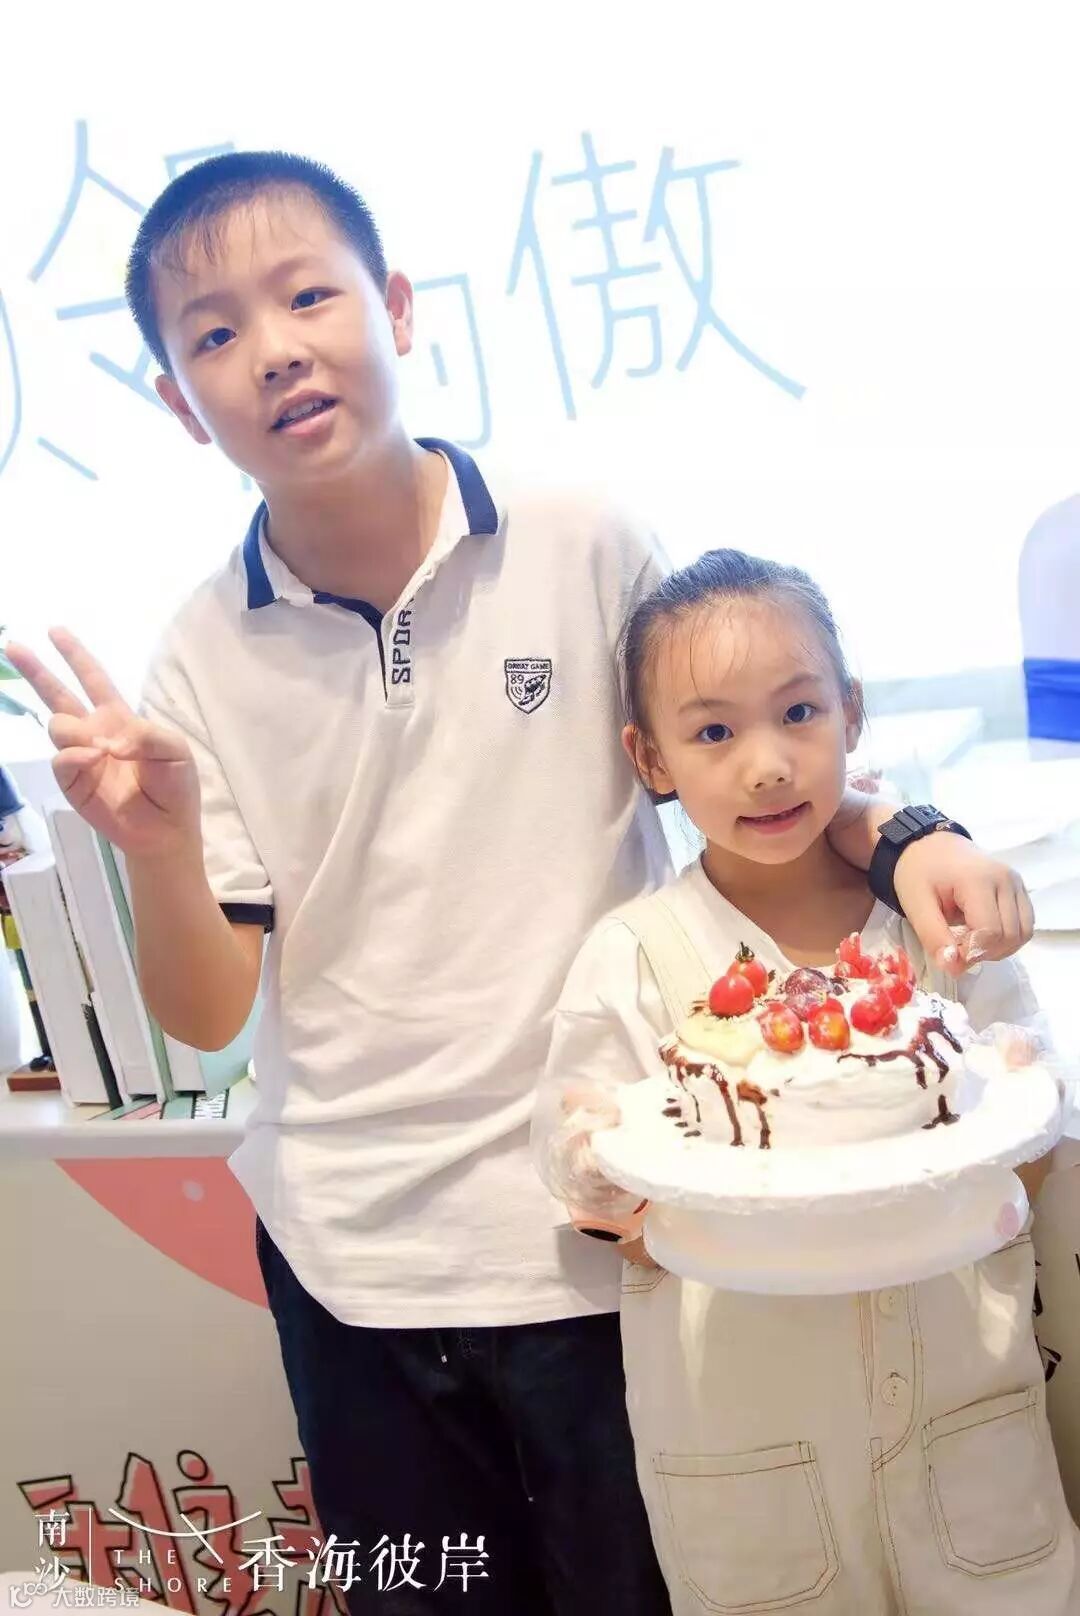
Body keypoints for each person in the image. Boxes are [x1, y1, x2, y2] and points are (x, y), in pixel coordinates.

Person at [6, 151, 1036, 1615]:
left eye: (308, 296)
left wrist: (911, 833)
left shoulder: (582, 541)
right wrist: (158, 850)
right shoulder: (200, 651)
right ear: (179, 402)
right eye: (217, 333)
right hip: (350, 1259)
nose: (276, 349)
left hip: (609, 1230)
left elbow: (744, 765)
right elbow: (210, 1013)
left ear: (397, 308)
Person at [534, 547, 1077, 1615]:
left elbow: (1031, 1116)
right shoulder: (637, 956)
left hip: (963, 1402)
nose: (768, 764)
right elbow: (597, 1190)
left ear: (851, 713)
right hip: (746, 1428)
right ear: (650, 756)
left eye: (798, 711)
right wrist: (616, 1181)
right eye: (714, 732)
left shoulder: (939, 933)